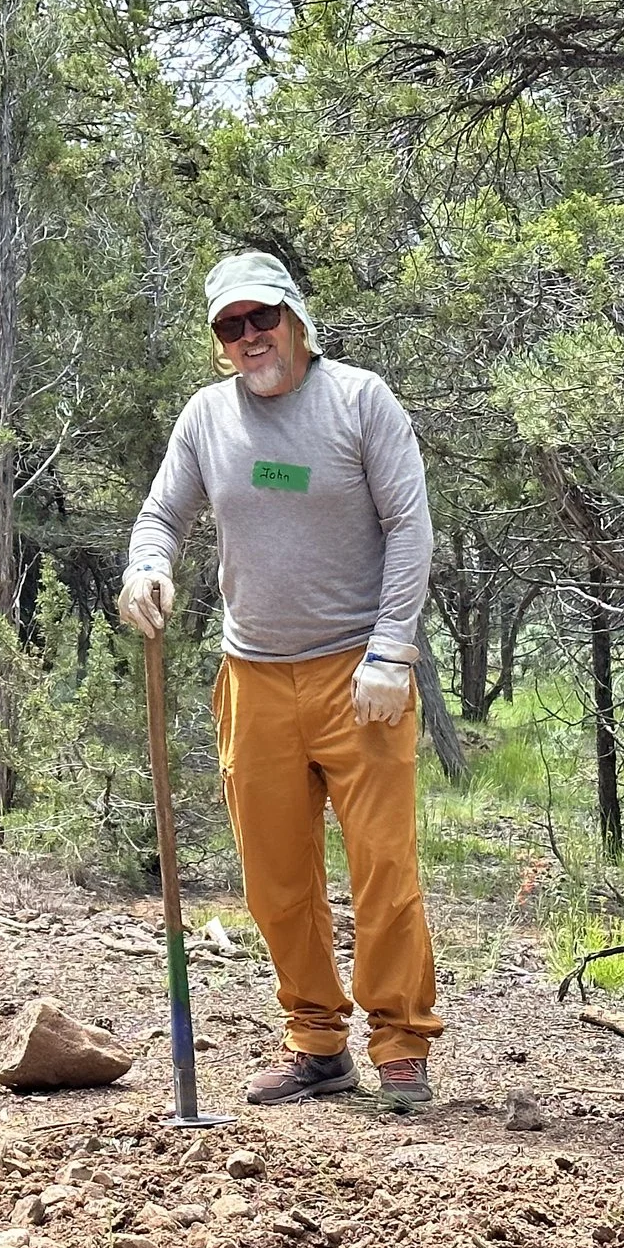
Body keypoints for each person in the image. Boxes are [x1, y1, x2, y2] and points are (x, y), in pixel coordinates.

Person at [119, 251, 443, 1109]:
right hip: (252, 675)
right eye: (231, 327)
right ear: (219, 342)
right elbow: (162, 515)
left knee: (383, 866)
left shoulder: (359, 401)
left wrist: (390, 651)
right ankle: (316, 1041)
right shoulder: (206, 417)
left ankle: (401, 1041)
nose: (250, 337)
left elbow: (410, 527)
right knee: (274, 876)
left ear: (295, 317)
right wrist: (147, 567)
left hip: (359, 675)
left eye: (262, 318)